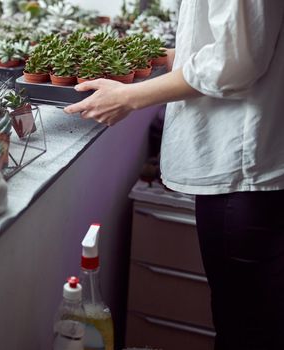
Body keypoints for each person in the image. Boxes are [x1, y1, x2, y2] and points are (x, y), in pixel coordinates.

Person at [64, 1, 284, 349]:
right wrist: (164, 55)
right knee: (249, 320)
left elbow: (235, 63)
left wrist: (128, 97)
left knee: (244, 329)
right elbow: (245, 41)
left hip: (243, 173)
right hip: (252, 172)